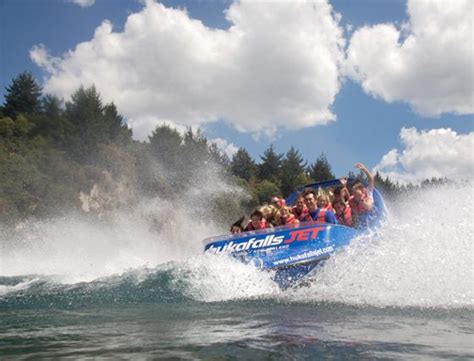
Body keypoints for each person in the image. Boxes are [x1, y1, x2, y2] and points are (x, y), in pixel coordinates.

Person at [349, 162, 375, 227]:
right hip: (361, 218)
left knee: (368, 207)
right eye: (354, 193)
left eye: (358, 194)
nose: (356, 195)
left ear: (362, 191)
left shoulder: (368, 193)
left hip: (371, 213)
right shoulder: (351, 199)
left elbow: (371, 179)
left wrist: (364, 169)